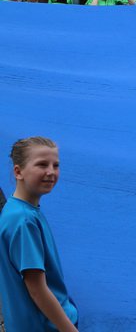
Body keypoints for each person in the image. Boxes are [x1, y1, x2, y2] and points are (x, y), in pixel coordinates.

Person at [0, 137, 79, 331]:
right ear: (18, 172)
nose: (51, 172)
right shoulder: (23, 220)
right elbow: (37, 290)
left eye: (56, 165)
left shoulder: (17, 210)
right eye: (42, 164)